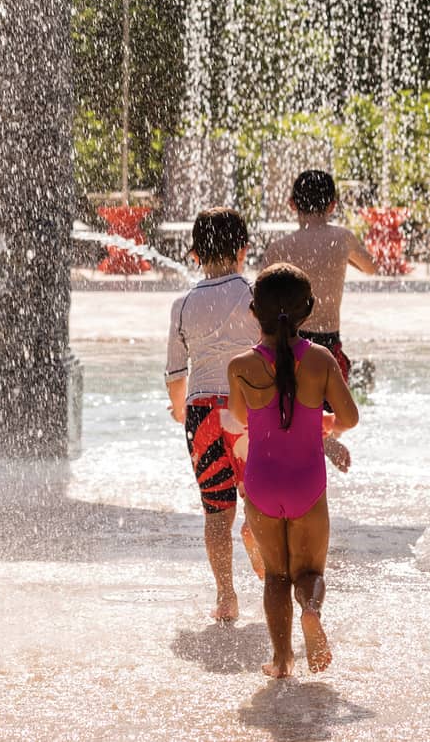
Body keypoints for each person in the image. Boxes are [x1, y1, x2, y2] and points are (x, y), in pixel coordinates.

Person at [228, 264, 359, 678]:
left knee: (275, 577)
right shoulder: (319, 361)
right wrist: (324, 427)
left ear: (254, 311)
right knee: (309, 573)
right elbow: (350, 417)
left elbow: (237, 418)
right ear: (309, 310)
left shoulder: (240, 367)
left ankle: (282, 660)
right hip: (307, 485)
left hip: (262, 485)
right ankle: (311, 610)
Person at [164, 207, 263, 622]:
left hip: (201, 414)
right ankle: (254, 531)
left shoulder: (183, 304)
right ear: (242, 250)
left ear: (193, 254)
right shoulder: (256, 293)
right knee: (256, 499)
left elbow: (175, 373)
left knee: (215, 511)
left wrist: (178, 408)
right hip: (247, 409)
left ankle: (226, 595)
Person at [263, 169, 376, 466]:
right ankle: (322, 441)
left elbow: (261, 297)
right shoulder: (342, 239)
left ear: (291, 204)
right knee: (335, 413)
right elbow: (371, 267)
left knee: (287, 415)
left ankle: (313, 445)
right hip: (327, 344)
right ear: (333, 205)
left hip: (286, 342)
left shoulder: (278, 248)